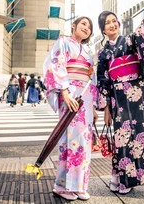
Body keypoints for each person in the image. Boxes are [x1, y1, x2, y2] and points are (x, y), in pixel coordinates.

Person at [96, 0, 144, 194]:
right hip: (117, 96)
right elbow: (103, 81)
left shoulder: (129, 40)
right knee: (121, 136)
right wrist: (106, 108)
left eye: (114, 21)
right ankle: (119, 178)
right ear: (103, 29)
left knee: (139, 135)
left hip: (137, 93)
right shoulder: (103, 53)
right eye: (107, 23)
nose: (112, 24)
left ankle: (128, 180)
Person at [43, 16, 98, 201]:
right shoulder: (63, 42)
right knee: (69, 139)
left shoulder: (88, 52)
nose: (86, 28)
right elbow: (55, 65)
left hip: (85, 96)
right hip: (70, 93)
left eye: (89, 27)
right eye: (83, 23)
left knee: (84, 141)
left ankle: (80, 185)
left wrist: (95, 106)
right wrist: (64, 92)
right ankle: (62, 185)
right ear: (74, 25)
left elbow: (92, 78)